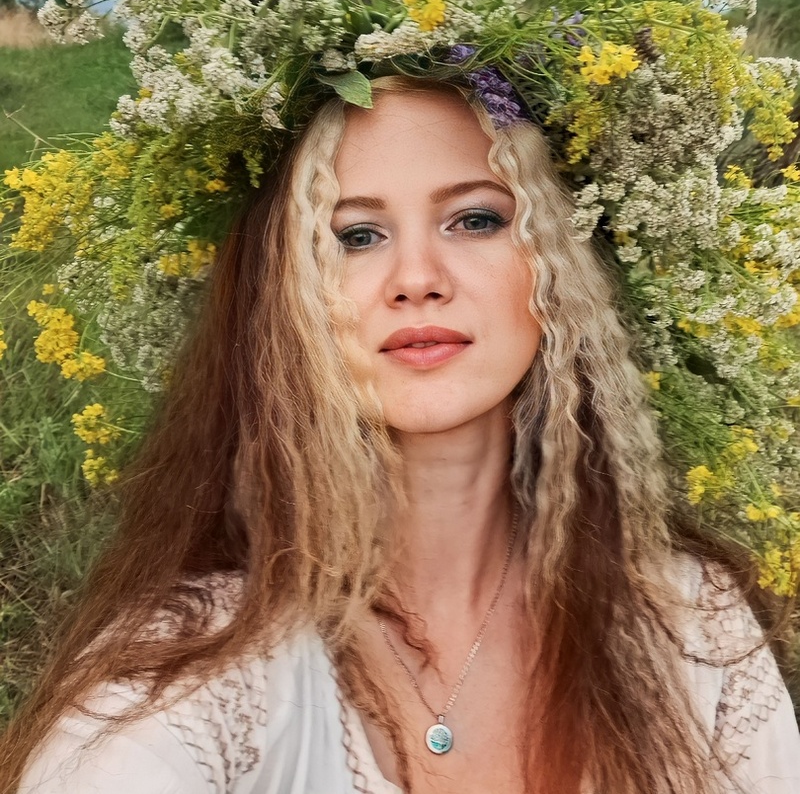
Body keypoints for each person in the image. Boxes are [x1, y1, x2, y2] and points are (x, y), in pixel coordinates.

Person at [3, 76, 800, 794]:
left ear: (562, 267)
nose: (417, 278)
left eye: (476, 219)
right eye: (356, 235)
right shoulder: (190, 671)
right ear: (283, 292)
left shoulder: (693, 621)